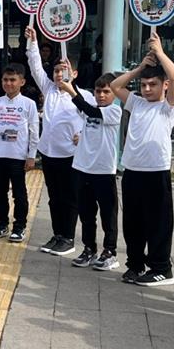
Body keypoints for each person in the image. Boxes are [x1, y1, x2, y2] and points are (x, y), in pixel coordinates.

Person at [109, 30, 174, 286]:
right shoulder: (136, 103)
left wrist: (160, 53)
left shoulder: (168, 107)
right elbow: (115, 86)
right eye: (144, 85)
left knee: (158, 223)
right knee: (132, 223)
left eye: (153, 84)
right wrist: (140, 68)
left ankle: (161, 268)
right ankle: (135, 265)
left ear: (164, 86)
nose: (147, 89)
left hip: (156, 172)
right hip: (132, 171)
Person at [25, 25, 85, 256]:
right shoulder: (49, 90)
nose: (59, 74)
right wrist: (32, 42)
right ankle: (57, 234)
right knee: (53, 198)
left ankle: (68, 238)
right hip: (49, 154)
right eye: (57, 70)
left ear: (74, 74)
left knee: (69, 198)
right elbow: (35, 67)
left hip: (69, 155)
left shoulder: (81, 96)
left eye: (64, 70)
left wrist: (83, 135)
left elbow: (93, 118)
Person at [60, 71, 122, 269]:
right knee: (86, 214)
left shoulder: (114, 111)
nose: (101, 95)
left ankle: (110, 251)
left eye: (106, 92)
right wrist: (71, 82)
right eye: (98, 91)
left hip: (103, 171)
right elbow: (83, 105)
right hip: (82, 168)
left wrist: (71, 91)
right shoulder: (90, 108)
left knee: (108, 214)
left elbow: (89, 110)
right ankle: (89, 249)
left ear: (114, 93)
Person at [0, 63, 39, 243]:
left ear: (22, 82)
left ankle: (19, 227)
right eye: (5, 80)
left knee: (19, 194)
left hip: (18, 156)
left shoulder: (29, 104)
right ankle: (1, 224)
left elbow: (34, 132)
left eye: (13, 80)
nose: (8, 83)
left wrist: (31, 156)